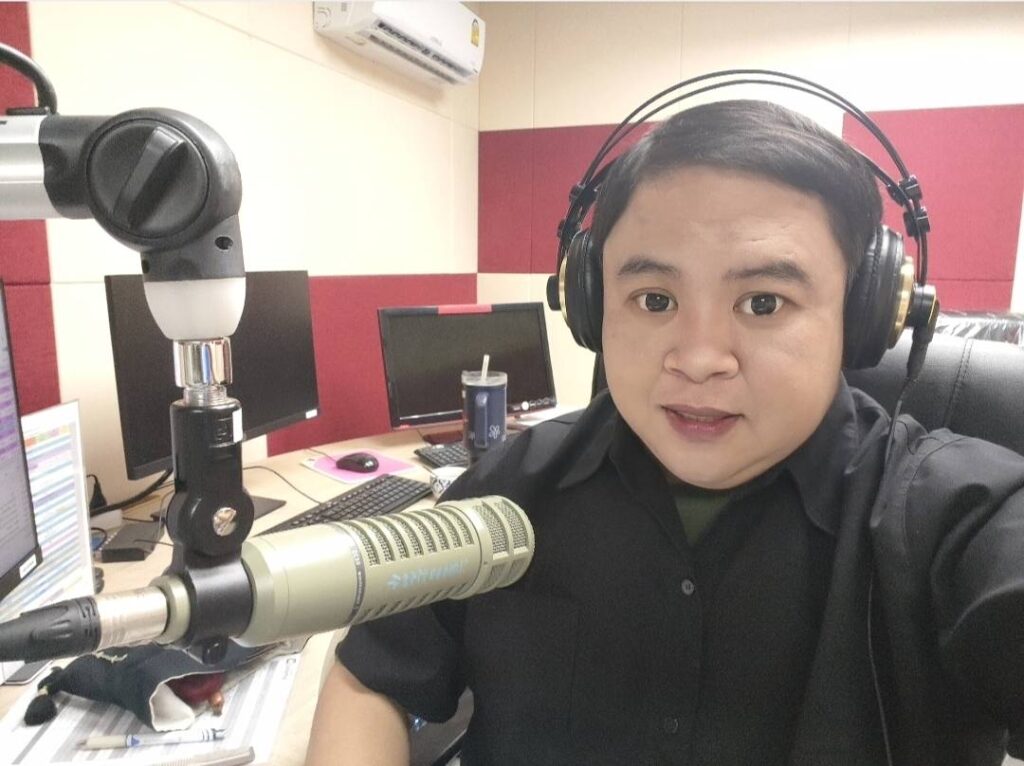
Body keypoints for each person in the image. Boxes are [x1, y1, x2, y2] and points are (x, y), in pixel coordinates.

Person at [305, 99, 1024, 766]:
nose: (699, 358)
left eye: (764, 302)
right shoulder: (516, 482)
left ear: (863, 316)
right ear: (592, 304)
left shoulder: (955, 517)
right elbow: (373, 674)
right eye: (654, 299)